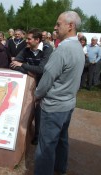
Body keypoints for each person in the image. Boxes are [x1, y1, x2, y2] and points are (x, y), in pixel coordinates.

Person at [34, 11, 85, 175]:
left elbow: (47, 77)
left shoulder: (62, 50)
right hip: (68, 104)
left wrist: (36, 95)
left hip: (54, 106)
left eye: (58, 24)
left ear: (70, 26)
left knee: (46, 146)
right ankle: (60, 168)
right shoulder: (78, 46)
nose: (55, 27)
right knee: (62, 139)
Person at [10, 28, 53, 145]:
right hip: (31, 80)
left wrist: (23, 65)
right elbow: (13, 64)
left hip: (44, 84)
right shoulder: (26, 49)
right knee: (26, 105)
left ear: (37, 40)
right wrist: (27, 71)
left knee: (40, 109)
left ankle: (38, 135)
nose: (26, 41)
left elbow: (42, 69)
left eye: (29, 39)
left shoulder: (47, 49)